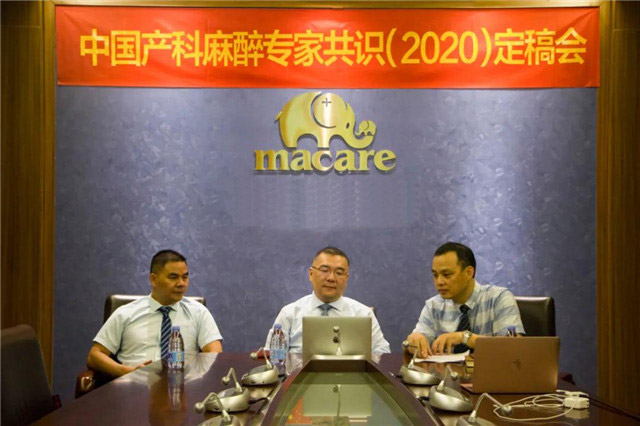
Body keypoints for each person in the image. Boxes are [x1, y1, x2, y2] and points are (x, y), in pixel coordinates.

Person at [87, 250, 223, 378]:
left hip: (183, 386)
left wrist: (195, 376)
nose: (181, 283)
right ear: (153, 279)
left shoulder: (198, 312)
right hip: (135, 385)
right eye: (173, 277)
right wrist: (127, 372)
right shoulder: (125, 313)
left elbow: (215, 355)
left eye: (185, 277)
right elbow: (95, 356)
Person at [406, 242, 524, 357]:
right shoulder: (433, 306)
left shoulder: (499, 298)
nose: (439, 282)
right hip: (446, 370)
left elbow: (514, 347)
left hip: (491, 370)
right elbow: (414, 342)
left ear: (469, 273)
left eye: (446, 275)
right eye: (435, 275)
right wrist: (414, 341)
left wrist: (465, 338)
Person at [266, 246, 390, 354]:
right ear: (311, 274)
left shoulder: (364, 314)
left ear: (346, 278)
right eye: (325, 270)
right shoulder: (289, 314)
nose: (331, 278)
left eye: (339, 273)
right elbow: (272, 357)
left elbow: (383, 354)